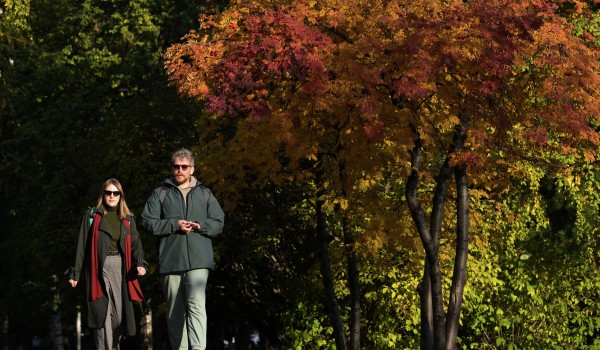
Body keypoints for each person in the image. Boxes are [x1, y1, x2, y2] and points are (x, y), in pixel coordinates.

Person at [142, 148, 225, 350]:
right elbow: (147, 221)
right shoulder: (160, 193)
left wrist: (200, 225)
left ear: (192, 169)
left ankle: (198, 348)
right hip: (170, 260)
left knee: (197, 305)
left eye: (184, 167)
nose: (179, 170)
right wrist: (174, 224)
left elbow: (218, 223)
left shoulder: (205, 193)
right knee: (174, 311)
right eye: (176, 166)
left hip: (199, 260)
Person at [69, 178, 147, 350]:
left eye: (115, 193)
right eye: (108, 193)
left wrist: (140, 264)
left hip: (121, 267)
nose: (112, 196)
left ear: (120, 196)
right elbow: (81, 246)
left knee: (119, 316)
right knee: (102, 312)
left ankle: (113, 346)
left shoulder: (128, 218)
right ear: (103, 194)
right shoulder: (91, 216)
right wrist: (75, 273)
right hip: (99, 267)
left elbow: (136, 245)